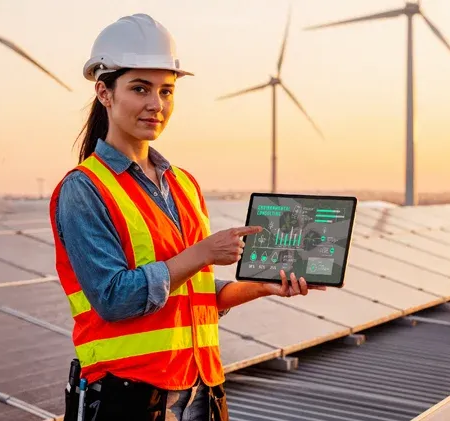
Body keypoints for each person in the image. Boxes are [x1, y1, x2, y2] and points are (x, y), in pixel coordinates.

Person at [50, 14, 325, 421]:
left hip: (202, 392)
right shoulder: (84, 188)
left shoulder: (183, 184)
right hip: (127, 398)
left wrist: (262, 286)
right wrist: (204, 252)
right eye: (140, 89)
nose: (155, 105)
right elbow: (114, 298)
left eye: (166, 90)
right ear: (104, 93)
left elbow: (194, 294)